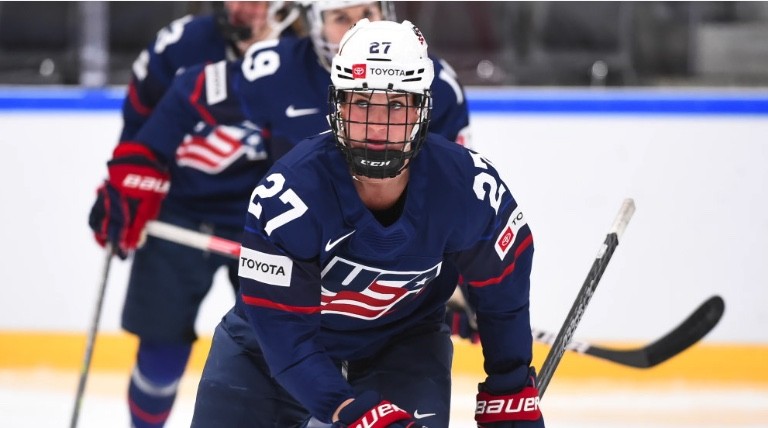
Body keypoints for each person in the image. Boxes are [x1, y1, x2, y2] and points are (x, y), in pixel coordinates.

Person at [190, 18, 544, 428]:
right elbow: (286, 338)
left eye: (395, 105)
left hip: (402, 345)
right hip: (266, 354)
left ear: (420, 108)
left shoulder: (470, 188)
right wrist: (350, 410)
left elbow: (503, 285)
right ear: (337, 105)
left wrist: (510, 385)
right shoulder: (288, 195)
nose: (377, 125)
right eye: (361, 103)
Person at [88, 3, 298, 428]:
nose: (243, 8)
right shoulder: (181, 44)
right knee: (160, 354)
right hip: (178, 216)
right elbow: (138, 127)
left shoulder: (305, 56)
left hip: (264, 226)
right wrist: (125, 186)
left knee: (276, 356)